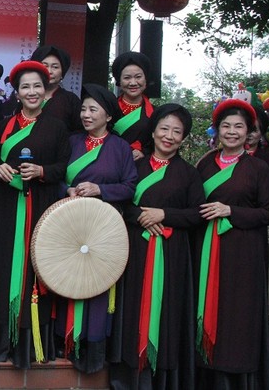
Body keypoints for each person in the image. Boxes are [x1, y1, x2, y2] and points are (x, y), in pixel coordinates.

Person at [0, 61, 70, 367]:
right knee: (2, 267)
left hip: (38, 205)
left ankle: (28, 341)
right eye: (25, 86)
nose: (31, 92)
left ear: (45, 90)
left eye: (37, 86)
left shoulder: (56, 126)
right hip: (4, 208)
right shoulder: (5, 123)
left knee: (33, 269)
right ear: (16, 92)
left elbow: (63, 166)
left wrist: (41, 170)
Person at [110, 103, 205, 389]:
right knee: (131, 308)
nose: (169, 136)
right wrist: (140, 215)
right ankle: (124, 375)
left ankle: (158, 375)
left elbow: (197, 213)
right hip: (134, 252)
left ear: (183, 138)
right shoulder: (134, 165)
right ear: (153, 131)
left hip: (170, 252)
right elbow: (120, 202)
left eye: (177, 131)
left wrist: (164, 215)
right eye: (164, 128)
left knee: (165, 311)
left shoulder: (188, 173)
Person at [194, 98, 269, 389]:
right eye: (226, 126)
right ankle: (203, 367)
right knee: (205, 306)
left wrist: (231, 211)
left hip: (242, 251)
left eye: (238, 127)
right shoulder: (204, 163)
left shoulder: (258, 168)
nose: (231, 132)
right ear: (217, 130)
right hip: (205, 247)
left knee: (236, 312)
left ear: (249, 132)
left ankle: (234, 374)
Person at [57, 83, 137, 374]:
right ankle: (65, 339)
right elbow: (55, 174)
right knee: (68, 277)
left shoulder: (120, 148)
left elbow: (130, 187)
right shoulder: (72, 141)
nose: (86, 115)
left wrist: (100, 189)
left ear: (109, 116)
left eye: (93, 109)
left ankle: (92, 347)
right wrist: (66, 188)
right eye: (83, 109)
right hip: (71, 222)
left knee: (98, 282)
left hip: (104, 227)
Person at [111, 51, 155, 160]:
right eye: (127, 78)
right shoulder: (108, 109)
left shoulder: (156, 114)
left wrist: (144, 152)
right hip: (110, 163)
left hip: (142, 167)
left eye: (138, 77)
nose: (133, 83)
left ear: (146, 79)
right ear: (119, 81)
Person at [29, 45, 82, 132]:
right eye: (45, 65)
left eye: (55, 67)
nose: (49, 71)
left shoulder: (71, 100)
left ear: (62, 73)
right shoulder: (27, 95)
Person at [247, 109, 269, 199]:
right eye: (246, 129)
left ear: (261, 133)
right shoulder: (229, 156)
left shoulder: (267, 159)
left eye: (254, 130)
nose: (249, 134)